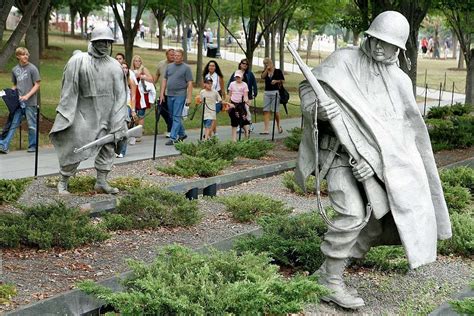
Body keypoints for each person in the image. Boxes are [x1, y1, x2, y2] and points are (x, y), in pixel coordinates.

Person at [296, 11, 451, 309]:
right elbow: (307, 87)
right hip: (339, 155)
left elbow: (402, 137)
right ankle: (330, 282)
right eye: (375, 40)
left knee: (377, 224)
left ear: (399, 49)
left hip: (374, 166)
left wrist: (376, 165)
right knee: (353, 214)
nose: (379, 48)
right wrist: (316, 109)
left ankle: (328, 272)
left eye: (387, 44)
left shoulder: (400, 83)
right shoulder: (343, 60)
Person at [50, 26, 128, 195]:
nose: (105, 45)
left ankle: (101, 182)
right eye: (101, 41)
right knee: (75, 146)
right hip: (83, 114)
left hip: (108, 115)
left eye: (108, 42)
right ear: (93, 42)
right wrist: (65, 113)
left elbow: (121, 95)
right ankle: (63, 180)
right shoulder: (78, 61)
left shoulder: (115, 66)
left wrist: (120, 118)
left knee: (108, 147)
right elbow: (68, 90)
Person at [0, 47, 41, 154]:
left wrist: (27, 96)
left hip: (30, 102)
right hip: (19, 103)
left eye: (27, 54)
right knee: (13, 124)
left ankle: (33, 146)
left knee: (32, 126)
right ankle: (4, 145)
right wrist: (8, 94)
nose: (25, 56)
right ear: (18, 56)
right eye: (23, 55)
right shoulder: (14, 70)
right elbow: (15, 85)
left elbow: (37, 85)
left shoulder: (32, 68)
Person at [159, 48, 193, 146]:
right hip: (169, 94)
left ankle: (173, 138)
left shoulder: (186, 68)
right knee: (172, 115)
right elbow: (164, 80)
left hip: (180, 94)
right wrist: (162, 94)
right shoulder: (169, 67)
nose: (176, 57)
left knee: (176, 116)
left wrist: (189, 97)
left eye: (178, 56)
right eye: (175, 55)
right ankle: (182, 134)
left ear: (182, 57)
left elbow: (190, 83)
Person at [227, 58, 258, 128]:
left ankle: (249, 123)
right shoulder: (236, 73)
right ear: (240, 64)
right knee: (237, 111)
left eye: (246, 64)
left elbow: (254, 84)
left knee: (246, 109)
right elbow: (230, 83)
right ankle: (239, 125)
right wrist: (229, 94)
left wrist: (255, 93)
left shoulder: (250, 74)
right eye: (243, 63)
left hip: (247, 95)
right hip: (236, 96)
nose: (245, 65)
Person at [116, 61, 137, 158]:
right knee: (116, 129)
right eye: (122, 67)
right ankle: (117, 149)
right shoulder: (115, 80)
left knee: (124, 128)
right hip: (116, 106)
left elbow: (133, 96)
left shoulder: (130, 81)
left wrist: (133, 110)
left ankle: (122, 151)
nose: (124, 69)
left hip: (126, 105)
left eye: (126, 67)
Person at [131, 55, 154, 139]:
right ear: (133, 62)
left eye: (139, 61)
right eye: (135, 61)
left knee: (141, 114)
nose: (137, 62)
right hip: (133, 94)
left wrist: (141, 75)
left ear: (141, 62)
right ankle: (137, 129)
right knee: (133, 114)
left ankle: (139, 133)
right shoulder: (130, 70)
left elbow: (151, 79)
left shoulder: (144, 69)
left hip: (141, 95)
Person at [154, 48, 175, 138]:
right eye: (171, 55)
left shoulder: (176, 65)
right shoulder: (161, 64)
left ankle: (170, 130)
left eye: (174, 55)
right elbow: (157, 76)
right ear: (166, 55)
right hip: (163, 93)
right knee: (161, 109)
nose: (173, 56)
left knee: (171, 112)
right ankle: (171, 125)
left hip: (173, 93)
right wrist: (152, 85)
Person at [261, 57, 284, 135]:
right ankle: (266, 129)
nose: (266, 65)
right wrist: (266, 70)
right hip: (267, 92)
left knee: (275, 111)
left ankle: (278, 126)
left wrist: (276, 81)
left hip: (275, 92)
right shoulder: (265, 71)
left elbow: (283, 80)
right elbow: (262, 77)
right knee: (266, 110)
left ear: (271, 63)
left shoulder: (278, 71)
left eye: (267, 63)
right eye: (265, 64)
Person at [202, 60, 226, 135]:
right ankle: (214, 133)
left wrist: (224, 100)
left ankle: (208, 134)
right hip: (208, 100)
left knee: (213, 116)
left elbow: (222, 89)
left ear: (215, 67)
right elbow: (203, 88)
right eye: (210, 65)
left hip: (216, 99)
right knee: (210, 117)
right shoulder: (206, 76)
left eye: (213, 66)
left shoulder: (219, 77)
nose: (211, 67)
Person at [227, 70, 250, 141]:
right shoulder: (232, 84)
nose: (237, 78)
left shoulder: (244, 85)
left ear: (242, 77)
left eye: (239, 77)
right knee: (234, 120)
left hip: (240, 105)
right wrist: (227, 103)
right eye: (236, 77)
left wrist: (246, 101)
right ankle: (234, 139)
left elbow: (245, 95)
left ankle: (247, 132)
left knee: (242, 120)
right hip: (232, 104)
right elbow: (229, 94)